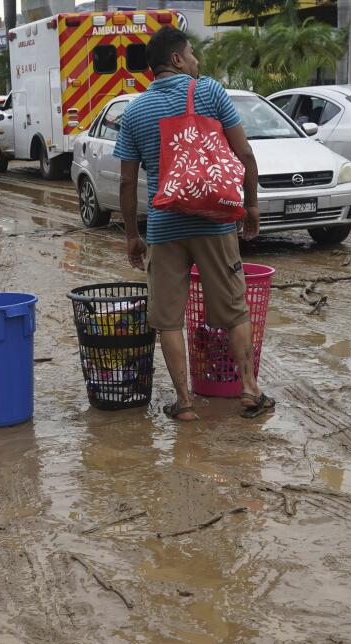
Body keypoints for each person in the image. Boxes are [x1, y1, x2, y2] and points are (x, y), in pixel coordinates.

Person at [113, 26, 275, 421]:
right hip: (215, 223)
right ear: (176, 60)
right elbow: (245, 155)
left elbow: (127, 181)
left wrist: (133, 236)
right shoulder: (210, 92)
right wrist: (250, 206)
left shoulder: (133, 112)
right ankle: (250, 392)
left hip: (165, 227)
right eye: (191, 54)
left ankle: (184, 403)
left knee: (168, 318)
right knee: (235, 309)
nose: (196, 61)